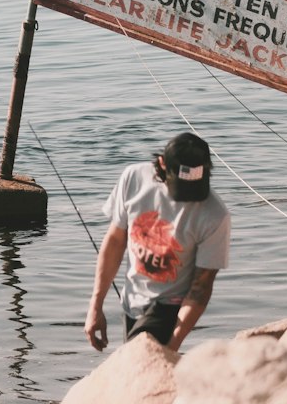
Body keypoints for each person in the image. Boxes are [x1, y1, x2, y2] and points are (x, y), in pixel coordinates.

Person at [84, 131, 230, 353]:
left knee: (135, 366)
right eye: (181, 188)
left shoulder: (215, 215)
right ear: (162, 165)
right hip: (131, 302)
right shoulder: (133, 178)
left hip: (169, 308)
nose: (187, 199)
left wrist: (173, 343)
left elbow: (201, 289)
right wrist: (95, 306)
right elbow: (114, 242)